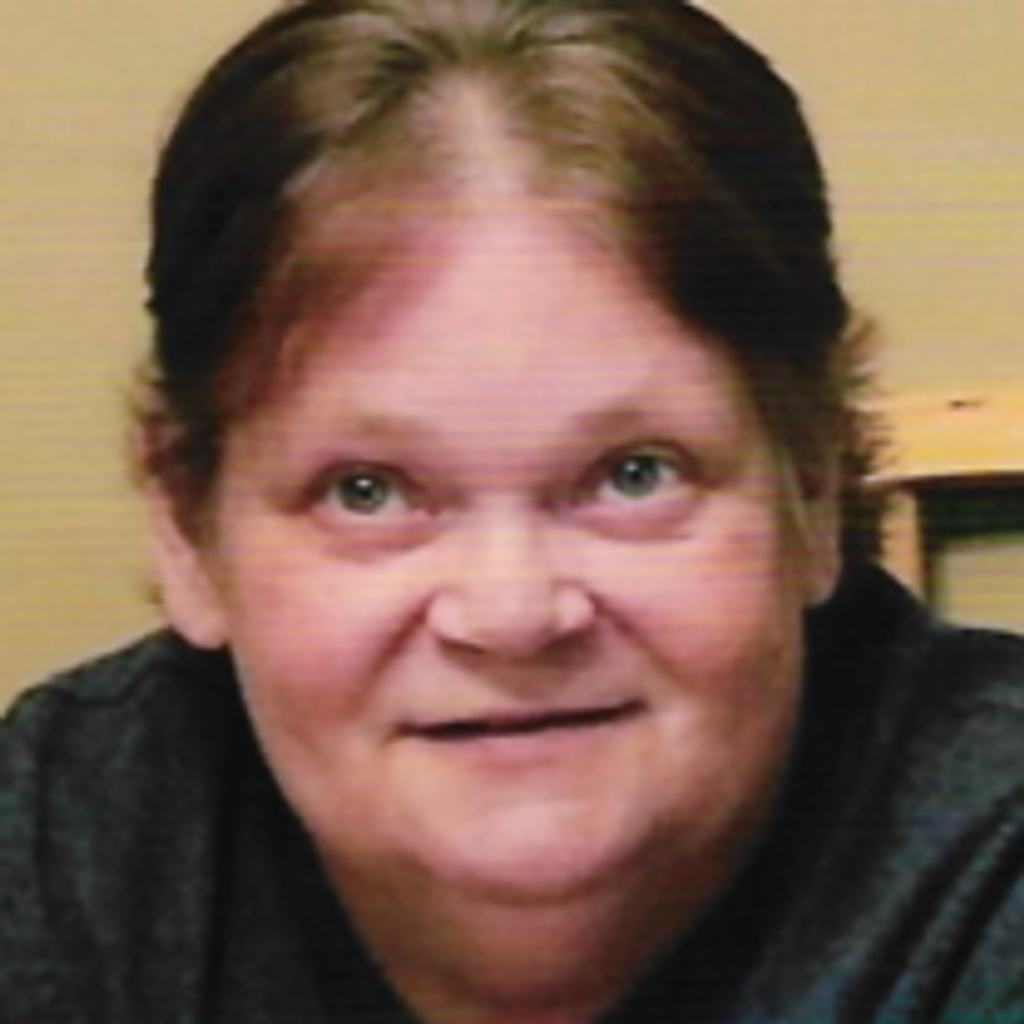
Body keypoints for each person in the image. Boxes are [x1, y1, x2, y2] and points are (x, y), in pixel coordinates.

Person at [2, 1, 1024, 1020]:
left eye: (635, 474)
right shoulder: (68, 851)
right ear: (188, 529)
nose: (513, 615)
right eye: (368, 491)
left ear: (810, 487)